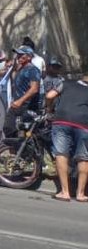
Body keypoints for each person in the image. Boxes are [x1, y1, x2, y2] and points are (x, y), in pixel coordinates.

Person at [46, 70, 88, 202]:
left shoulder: (66, 83)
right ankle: (80, 194)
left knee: (61, 154)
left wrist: (49, 109)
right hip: (84, 124)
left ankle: (65, 192)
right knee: (83, 157)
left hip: (62, 120)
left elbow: (49, 96)